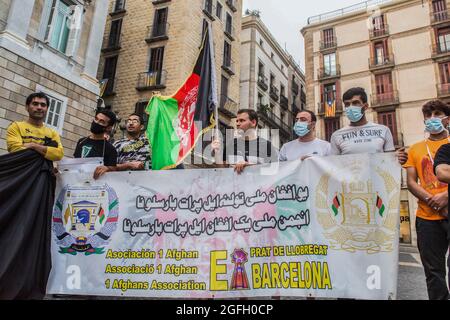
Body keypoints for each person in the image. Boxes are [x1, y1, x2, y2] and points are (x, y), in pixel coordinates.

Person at [404, 100, 450, 300]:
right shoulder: (415, 149)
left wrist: (446, 196)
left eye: (437, 114)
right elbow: (412, 181)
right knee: (433, 272)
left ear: (447, 119)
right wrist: (432, 199)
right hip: (426, 217)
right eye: (428, 115)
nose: (432, 119)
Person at [330, 87, 408, 164]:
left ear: (365, 106)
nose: (350, 107)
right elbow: (333, 165)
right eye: (347, 104)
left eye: (355, 103)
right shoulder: (336, 136)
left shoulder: (383, 130)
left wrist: (397, 158)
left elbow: (390, 162)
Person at [214, 109, 278, 174]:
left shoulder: (266, 145)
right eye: (237, 121)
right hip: (234, 184)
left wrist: (249, 165)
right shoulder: (231, 144)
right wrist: (217, 153)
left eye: (242, 120)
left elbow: (275, 170)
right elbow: (223, 172)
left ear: (253, 122)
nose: (237, 124)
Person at [6, 92, 64, 161]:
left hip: (44, 171)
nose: (39, 107)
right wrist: (47, 151)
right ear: (27, 107)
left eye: (43, 105)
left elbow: (59, 154)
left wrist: (33, 146)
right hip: (21, 170)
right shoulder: (16, 126)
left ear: (47, 109)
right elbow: (15, 149)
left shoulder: (52, 133)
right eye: (35, 104)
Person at [74, 108, 118, 179]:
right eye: (96, 119)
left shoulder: (110, 149)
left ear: (109, 128)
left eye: (102, 121)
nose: (96, 122)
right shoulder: (81, 141)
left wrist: (107, 168)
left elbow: (113, 169)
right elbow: (75, 162)